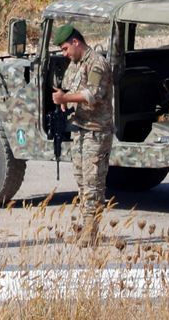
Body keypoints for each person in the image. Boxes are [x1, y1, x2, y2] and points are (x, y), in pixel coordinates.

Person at [51, 23, 113, 247]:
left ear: (76, 42)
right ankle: (85, 227)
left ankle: (91, 230)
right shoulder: (75, 65)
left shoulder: (97, 63)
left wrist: (65, 99)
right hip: (79, 130)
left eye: (66, 48)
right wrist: (64, 98)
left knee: (93, 181)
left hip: (96, 131)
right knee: (82, 181)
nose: (64, 54)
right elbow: (70, 88)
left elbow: (93, 94)